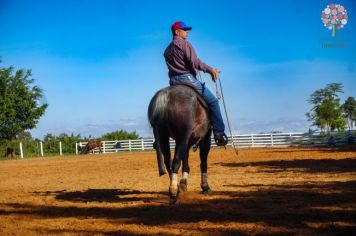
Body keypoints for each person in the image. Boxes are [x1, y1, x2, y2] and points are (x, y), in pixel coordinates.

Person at [163, 21, 228, 146]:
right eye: (184, 29)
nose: (187, 32)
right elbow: (195, 62)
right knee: (213, 102)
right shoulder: (184, 43)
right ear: (177, 32)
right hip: (187, 79)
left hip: (173, 82)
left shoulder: (166, 50)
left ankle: (160, 135)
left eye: (187, 30)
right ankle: (219, 133)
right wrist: (210, 70)